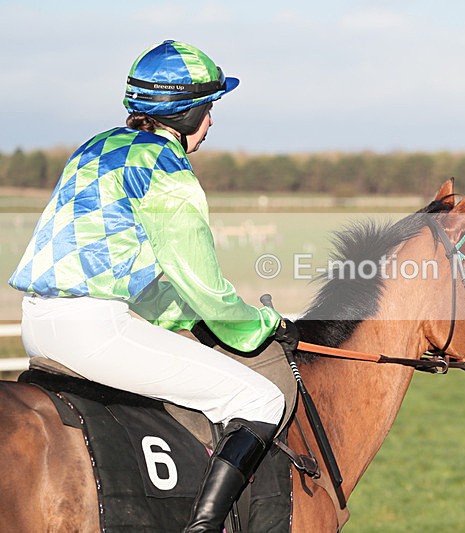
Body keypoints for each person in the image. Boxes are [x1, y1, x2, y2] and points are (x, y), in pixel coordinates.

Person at [8, 40, 296, 532]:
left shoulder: (96, 146)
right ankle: (204, 526)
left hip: (37, 324)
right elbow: (205, 289)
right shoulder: (167, 169)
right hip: (95, 330)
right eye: (208, 109)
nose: (211, 122)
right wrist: (262, 324)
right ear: (188, 115)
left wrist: (179, 316)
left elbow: (131, 273)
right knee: (261, 400)